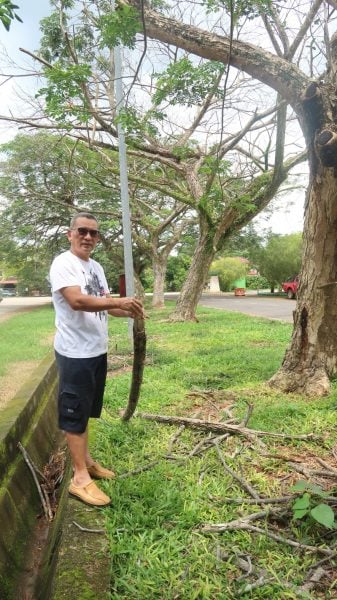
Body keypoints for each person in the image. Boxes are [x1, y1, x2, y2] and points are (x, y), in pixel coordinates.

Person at [49, 212, 144, 506]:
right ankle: (79, 479)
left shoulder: (96, 267)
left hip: (95, 351)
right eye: (82, 231)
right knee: (74, 414)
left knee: (86, 410)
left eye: (94, 233)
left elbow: (103, 305)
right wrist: (118, 301)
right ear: (70, 233)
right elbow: (77, 301)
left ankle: (87, 461)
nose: (88, 237)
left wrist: (128, 310)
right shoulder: (63, 263)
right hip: (75, 353)